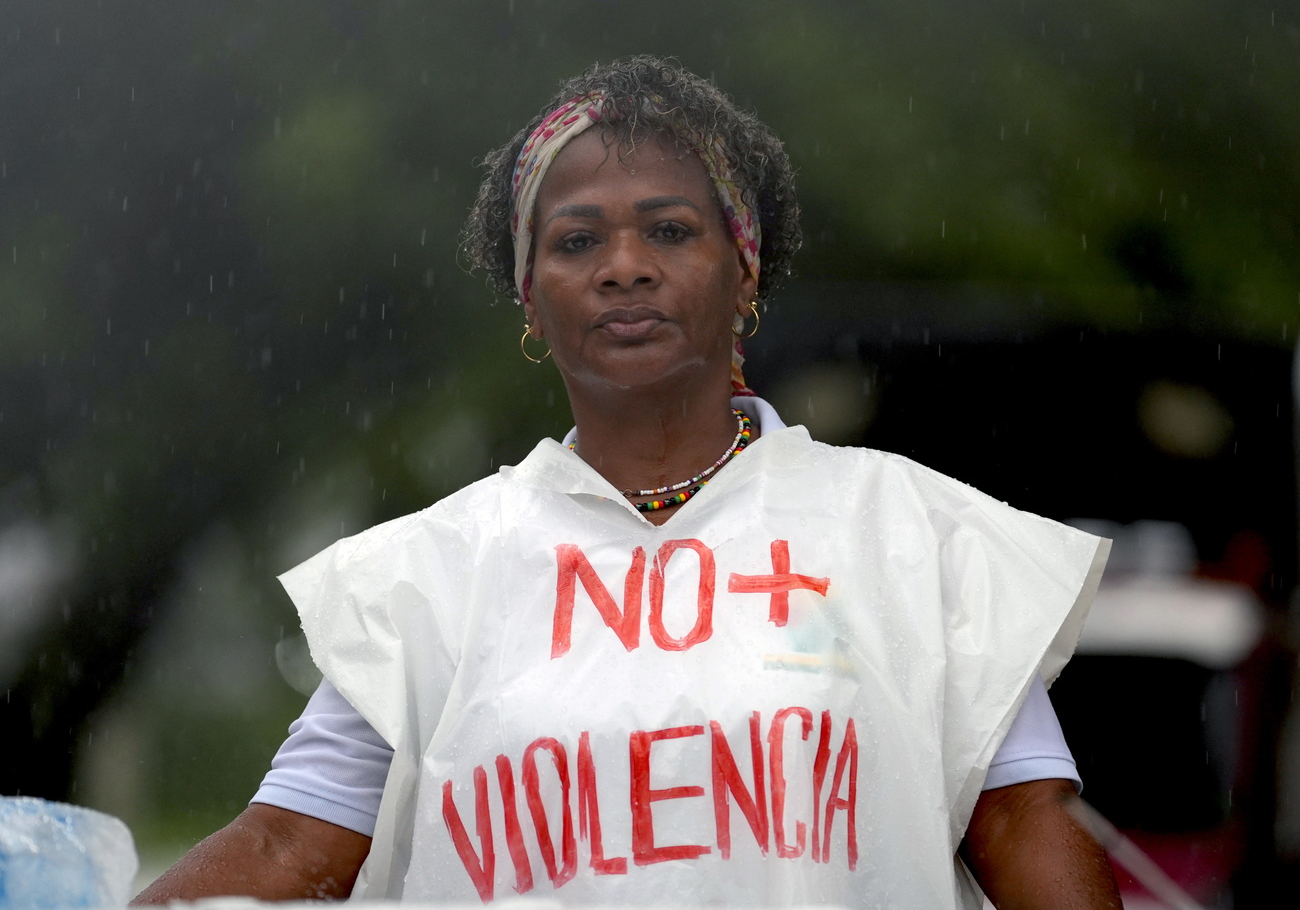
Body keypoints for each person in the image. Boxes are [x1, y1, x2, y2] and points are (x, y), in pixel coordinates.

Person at [134, 56, 1120, 907]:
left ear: (744, 270)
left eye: (669, 229)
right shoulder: (429, 579)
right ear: (531, 296)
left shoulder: (915, 535)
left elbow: (1025, 822)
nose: (623, 267)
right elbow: (283, 847)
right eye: (574, 240)